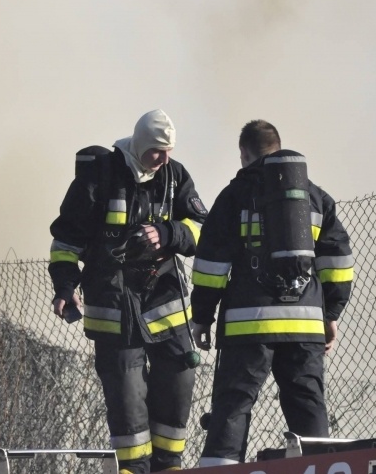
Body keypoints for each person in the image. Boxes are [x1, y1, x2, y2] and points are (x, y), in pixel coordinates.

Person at [48, 109, 208, 473]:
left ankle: (169, 466)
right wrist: (65, 287)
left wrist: (167, 234)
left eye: (168, 151)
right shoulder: (99, 177)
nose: (164, 159)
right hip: (114, 305)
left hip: (165, 301)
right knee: (127, 397)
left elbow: (203, 227)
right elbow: (66, 242)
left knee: (179, 382)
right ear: (139, 145)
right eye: (156, 151)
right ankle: (133, 470)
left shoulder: (174, 176)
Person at [190, 119, 354, 467]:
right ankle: (323, 466)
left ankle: (221, 468)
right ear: (278, 148)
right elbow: (338, 260)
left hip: (248, 325)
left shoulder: (235, 195)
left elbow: (211, 264)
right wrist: (331, 315)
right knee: (307, 403)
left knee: (234, 405)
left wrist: (202, 316)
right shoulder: (314, 195)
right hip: (307, 324)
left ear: (244, 153)